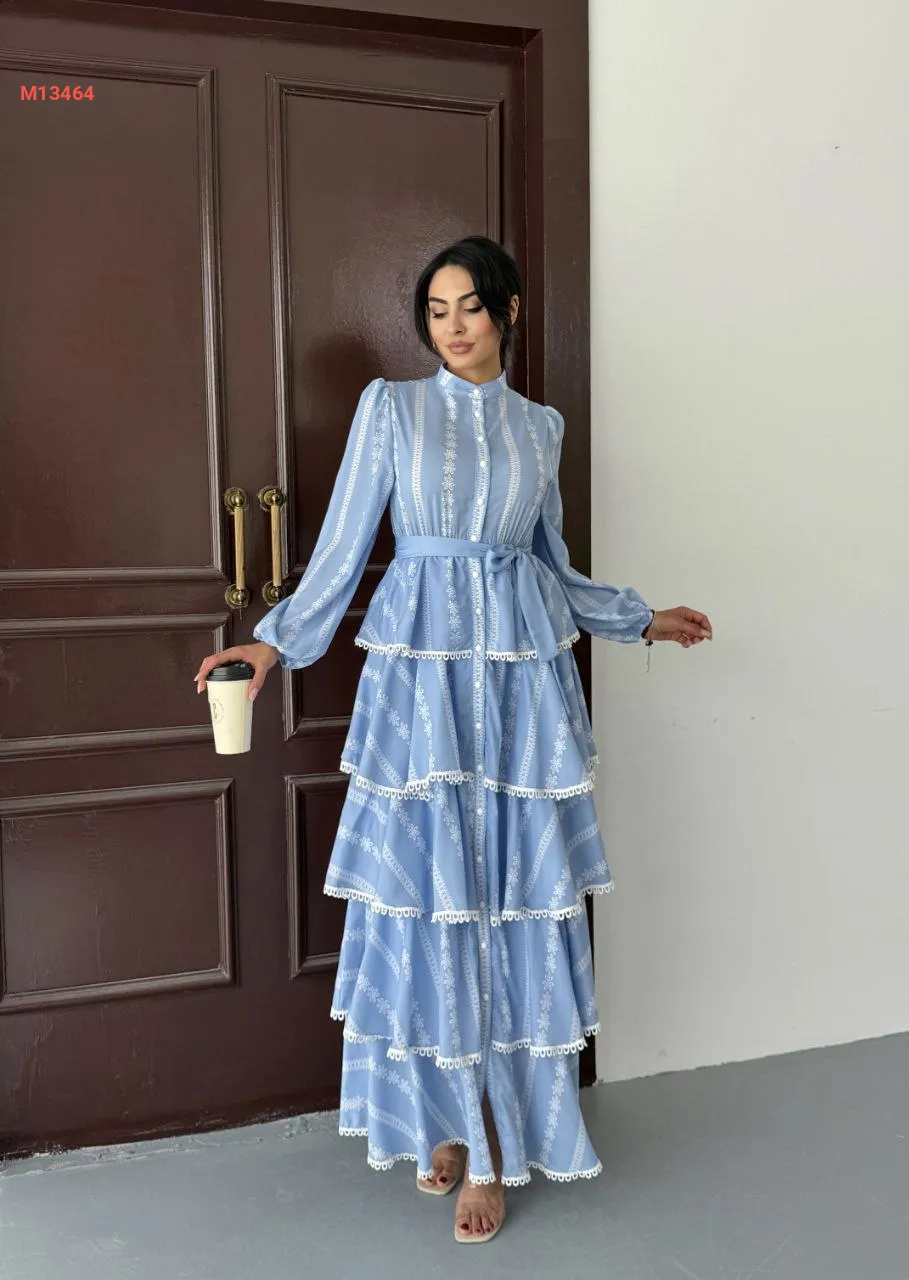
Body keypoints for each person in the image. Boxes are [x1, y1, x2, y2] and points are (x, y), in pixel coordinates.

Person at [194, 235, 712, 1244]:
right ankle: (446, 1117)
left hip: (517, 691)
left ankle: (489, 1145)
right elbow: (343, 547)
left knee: (505, 900)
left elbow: (550, 562)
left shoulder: (540, 427)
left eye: (470, 305)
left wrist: (636, 619)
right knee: (434, 899)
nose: (453, 326)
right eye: (436, 311)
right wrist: (272, 643)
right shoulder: (391, 409)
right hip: (422, 687)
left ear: (507, 309)